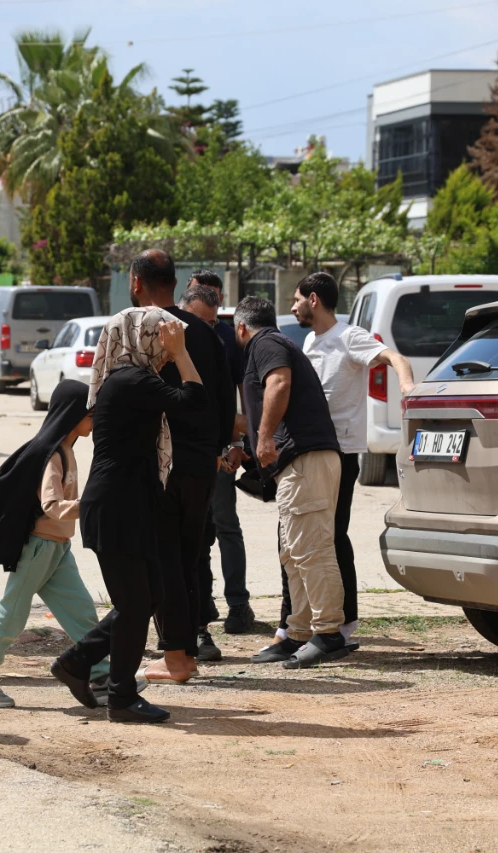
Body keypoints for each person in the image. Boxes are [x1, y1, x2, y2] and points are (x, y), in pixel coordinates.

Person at [50, 308, 207, 723]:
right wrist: (183, 353)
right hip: (116, 508)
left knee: (145, 597)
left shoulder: (133, 380)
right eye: (163, 338)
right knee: (135, 602)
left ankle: (80, 664)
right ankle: (116, 694)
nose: (169, 349)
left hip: (128, 506)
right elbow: (194, 401)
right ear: (141, 337)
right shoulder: (130, 379)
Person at [283, 271, 415, 643]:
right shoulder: (310, 340)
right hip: (311, 451)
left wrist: (407, 386)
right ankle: (308, 619)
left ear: (314, 300)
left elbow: (394, 356)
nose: (292, 307)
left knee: (334, 535)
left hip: (340, 454)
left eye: (296, 299)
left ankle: (345, 622)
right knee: (310, 539)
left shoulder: (349, 336)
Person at [0, 380, 110, 708]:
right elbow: (52, 506)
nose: (95, 421)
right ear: (75, 416)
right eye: (91, 414)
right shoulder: (52, 455)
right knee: (13, 611)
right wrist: (92, 506)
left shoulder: (68, 450)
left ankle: (101, 676)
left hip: (59, 547)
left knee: (82, 610)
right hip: (39, 547)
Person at [127, 250, 235, 678]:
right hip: (202, 465)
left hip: (158, 466)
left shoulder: (136, 329)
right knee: (189, 557)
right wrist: (215, 450)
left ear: (137, 284)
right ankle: (185, 649)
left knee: (163, 559)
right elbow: (226, 402)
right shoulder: (207, 334)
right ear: (175, 284)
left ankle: (175, 655)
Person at [233, 296, 347, 668]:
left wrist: (264, 437)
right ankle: (297, 631)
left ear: (241, 328)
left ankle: (329, 632)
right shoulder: (276, 342)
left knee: (311, 549)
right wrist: (246, 440)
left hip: (305, 461)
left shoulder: (264, 342)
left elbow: (279, 383)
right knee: (293, 552)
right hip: (300, 464)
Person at [185, 270, 254, 636]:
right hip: (186, 449)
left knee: (224, 524)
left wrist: (239, 445)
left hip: (222, 449)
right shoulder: (171, 331)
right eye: (197, 293)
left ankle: (238, 605)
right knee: (195, 532)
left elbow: (240, 395)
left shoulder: (228, 338)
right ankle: (200, 607)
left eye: (210, 295)